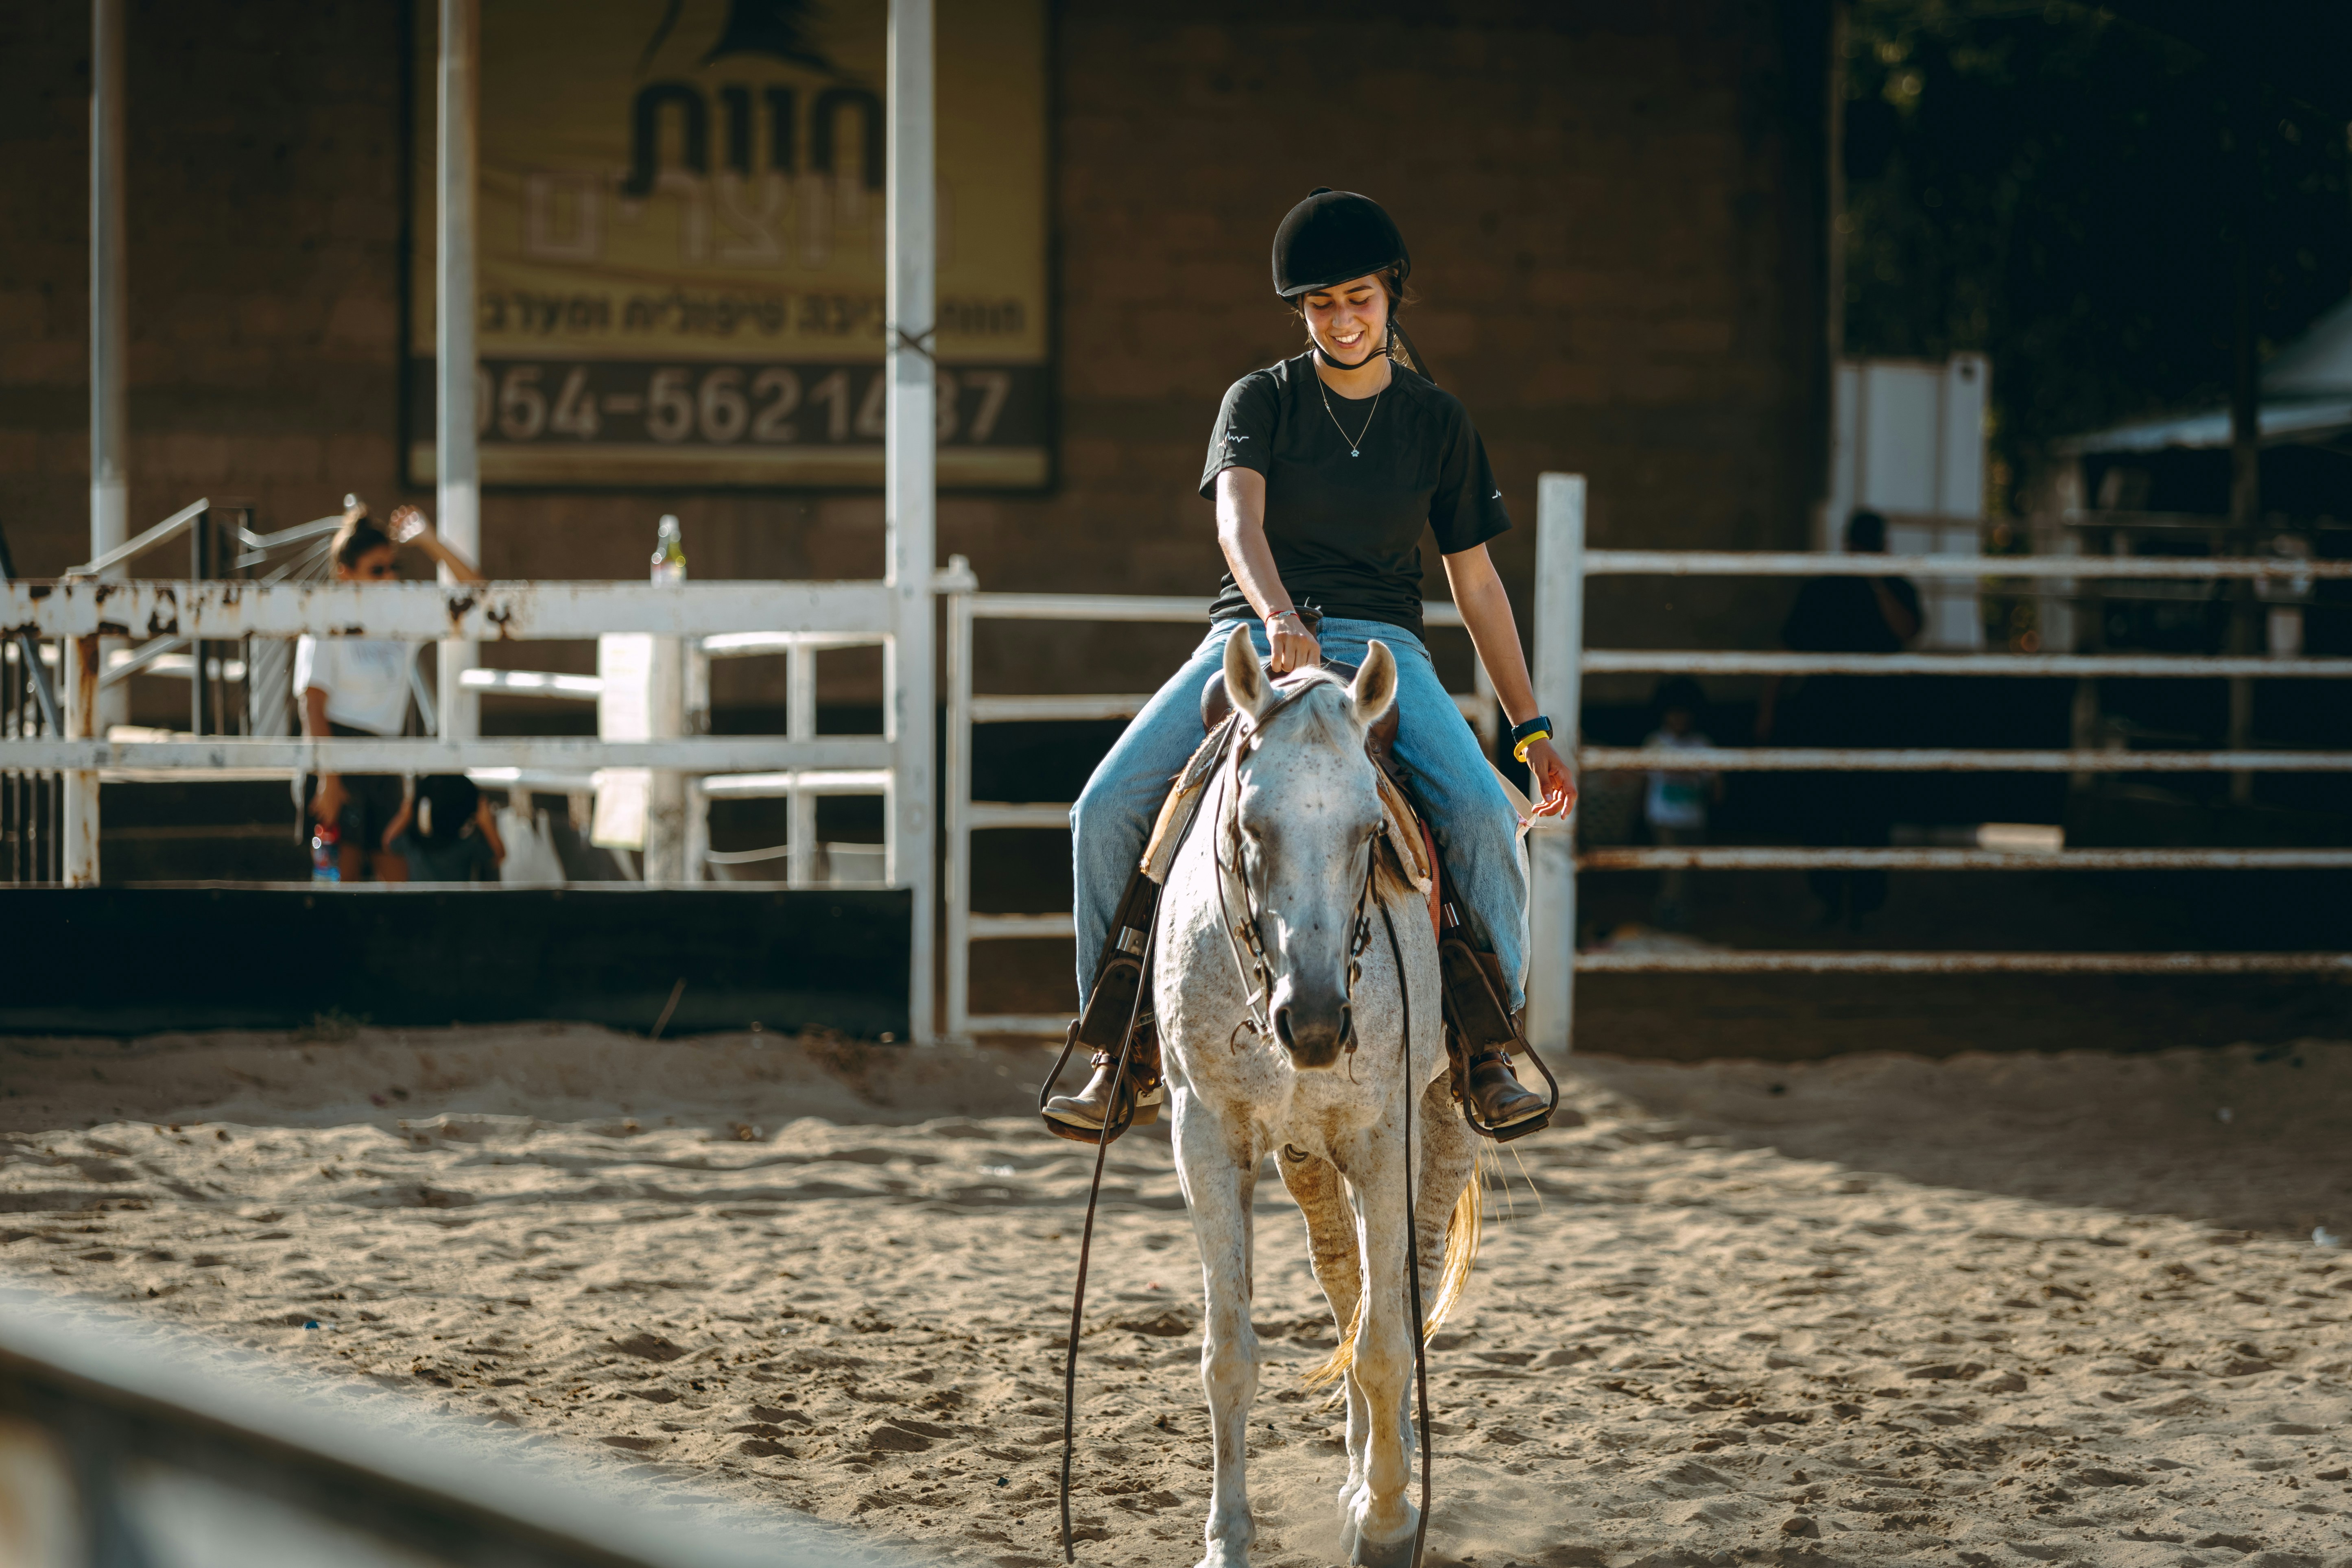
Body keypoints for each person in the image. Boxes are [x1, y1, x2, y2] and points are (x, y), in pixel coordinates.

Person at [1045, 188, 1576, 1145]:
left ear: (1390, 297)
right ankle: (1114, 1049)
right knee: (1103, 806)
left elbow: (1478, 584)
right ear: (1300, 313)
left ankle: (1486, 1048)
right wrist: (1276, 614)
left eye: (1358, 298)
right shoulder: (1258, 400)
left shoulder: (1437, 421)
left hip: (1386, 647)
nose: (1341, 318)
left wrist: (1529, 729)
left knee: (1482, 814)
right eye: (1320, 304)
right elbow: (1234, 521)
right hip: (1251, 637)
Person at [296, 500, 482, 881]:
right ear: (346, 574)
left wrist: (430, 541)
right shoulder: (325, 619)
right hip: (338, 753)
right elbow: (313, 705)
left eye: (393, 567)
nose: (389, 578)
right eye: (376, 570)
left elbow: (477, 594)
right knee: (339, 885)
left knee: (397, 882)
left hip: (386, 758)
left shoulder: (404, 617)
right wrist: (330, 779)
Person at [1754, 509, 1920, 926]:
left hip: (1878, 718)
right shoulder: (1821, 590)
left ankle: (1864, 905)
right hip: (1823, 715)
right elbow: (1787, 650)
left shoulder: (1897, 587)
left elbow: (1908, 630)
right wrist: (1767, 708)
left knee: (1872, 814)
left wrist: (1877, 581)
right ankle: (1828, 897)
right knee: (1820, 811)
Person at [1641, 677, 1721, 930]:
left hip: (1693, 819)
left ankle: (1679, 913)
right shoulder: (1656, 743)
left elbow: (1717, 782)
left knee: (1687, 870)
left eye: (1685, 714)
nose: (1680, 720)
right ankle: (1668, 915)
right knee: (1674, 870)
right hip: (1663, 818)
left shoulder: (1702, 745)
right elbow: (1640, 777)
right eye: (1674, 714)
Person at [387, 773, 506, 882]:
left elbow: (388, 841)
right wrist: (486, 822)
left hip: (420, 905)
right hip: (456, 904)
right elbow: (498, 855)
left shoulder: (413, 843)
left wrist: (405, 814)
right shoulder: (466, 845)